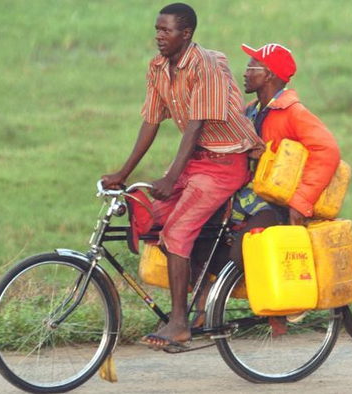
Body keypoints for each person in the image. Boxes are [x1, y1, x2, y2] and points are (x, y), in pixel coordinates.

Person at [101, 3, 262, 350]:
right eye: (157, 30)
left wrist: (172, 177)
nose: (159, 37)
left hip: (224, 162)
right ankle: (198, 295)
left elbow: (195, 125)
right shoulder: (158, 67)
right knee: (148, 216)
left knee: (177, 231)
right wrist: (122, 173)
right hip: (197, 161)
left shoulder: (204, 64)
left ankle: (179, 324)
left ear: (186, 34)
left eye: (166, 31)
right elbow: (151, 121)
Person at [228, 42, 341, 268]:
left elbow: (327, 150)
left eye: (252, 68)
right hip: (247, 198)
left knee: (241, 255)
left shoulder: (292, 112)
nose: (244, 72)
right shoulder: (252, 110)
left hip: (275, 204)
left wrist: (301, 202)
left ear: (268, 74)